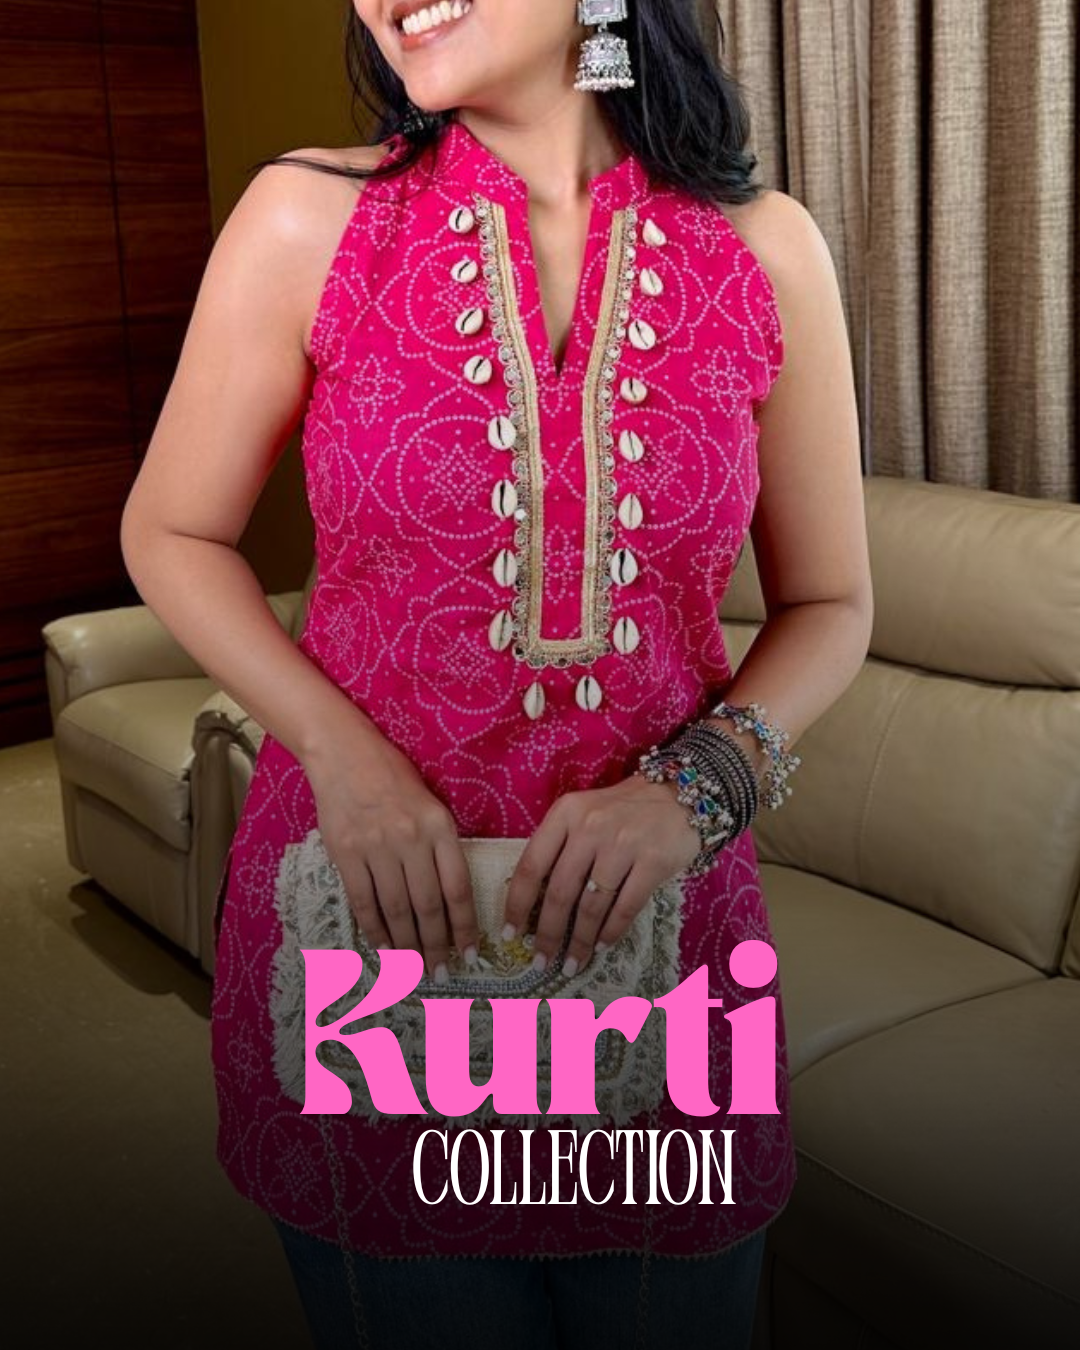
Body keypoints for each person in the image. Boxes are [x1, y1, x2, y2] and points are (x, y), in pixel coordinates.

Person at [120, 1, 871, 1346]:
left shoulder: (768, 250)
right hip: (373, 941)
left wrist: (697, 787)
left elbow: (832, 603)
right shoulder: (308, 221)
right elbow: (170, 531)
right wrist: (340, 759)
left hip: (665, 953)